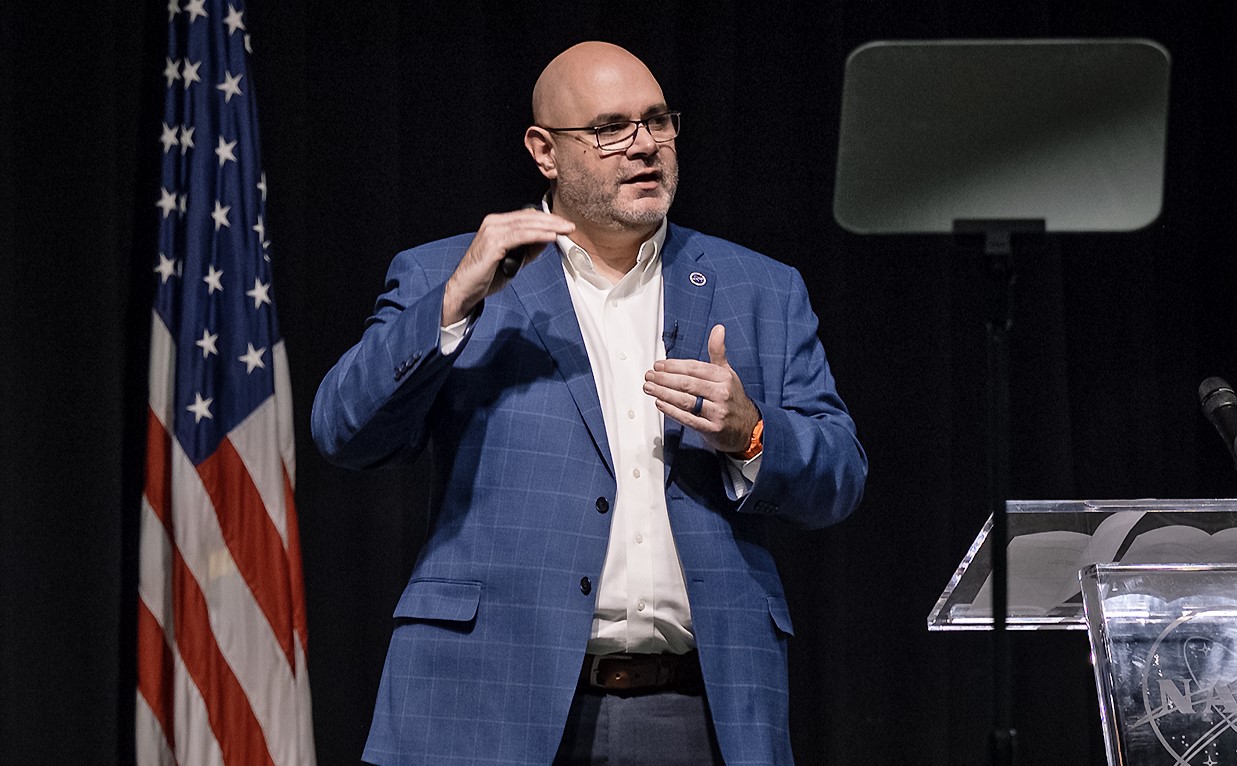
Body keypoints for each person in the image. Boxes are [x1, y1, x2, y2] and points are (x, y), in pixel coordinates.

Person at [311, 41, 867, 766]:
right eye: (611, 128)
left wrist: (753, 434)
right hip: (487, 703)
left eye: (658, 122)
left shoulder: (760, 287)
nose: (644, 147)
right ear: (545, 151)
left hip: (696, 711)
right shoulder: (455, 273)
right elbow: (343, 432)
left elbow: (842, 478)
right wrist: (452, 304)